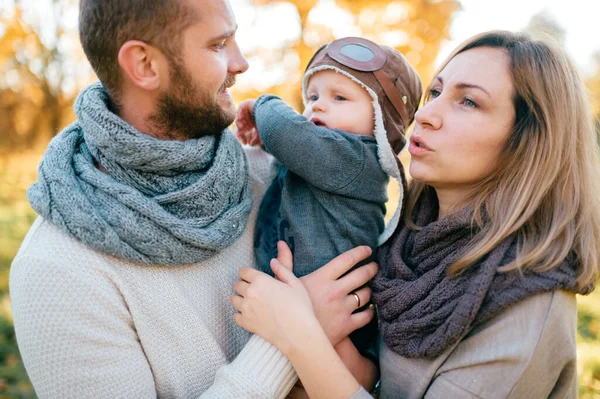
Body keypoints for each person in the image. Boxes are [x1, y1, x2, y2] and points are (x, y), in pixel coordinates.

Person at [9, 0, 377, 397]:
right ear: (145, 65)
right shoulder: (56, 269)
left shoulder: (271, 174)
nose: (241, 63)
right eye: (219, 45)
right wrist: (295, 339)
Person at [231, 30, 600, 399]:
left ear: (526, 140)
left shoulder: (525, 302)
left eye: (468, 102)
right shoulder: (405, 246)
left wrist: (296, 333)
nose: (425, 115)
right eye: (435, 93)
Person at [235, 37, 422, 280]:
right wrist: (267, 141)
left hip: (325, 303)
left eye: (339, 98)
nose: (318, 106)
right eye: (312, 97)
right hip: (291, 296)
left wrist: (262, 105)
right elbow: (295, 150)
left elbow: (285, 133)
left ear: (380, 120)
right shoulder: (323, 154)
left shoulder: (358, 158)